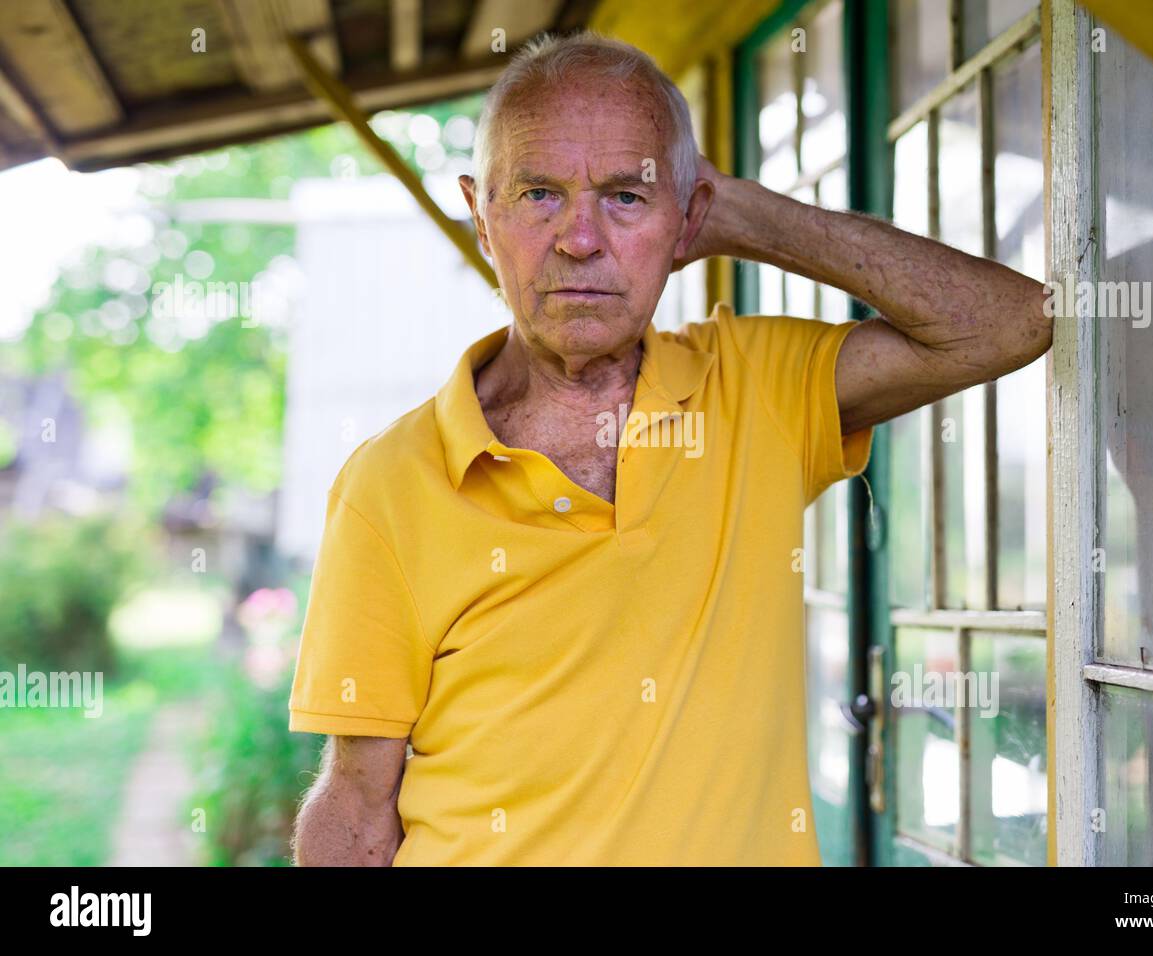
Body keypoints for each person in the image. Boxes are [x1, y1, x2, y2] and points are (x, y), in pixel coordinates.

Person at [288, 30, 1052, 865]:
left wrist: (755, 217)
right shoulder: (392, 482)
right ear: (481, 214)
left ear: (687, 219)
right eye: (539, 193)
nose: (580, 240)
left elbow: (1010, 322)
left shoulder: (757, 389)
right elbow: (358, 803)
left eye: (626, 197)